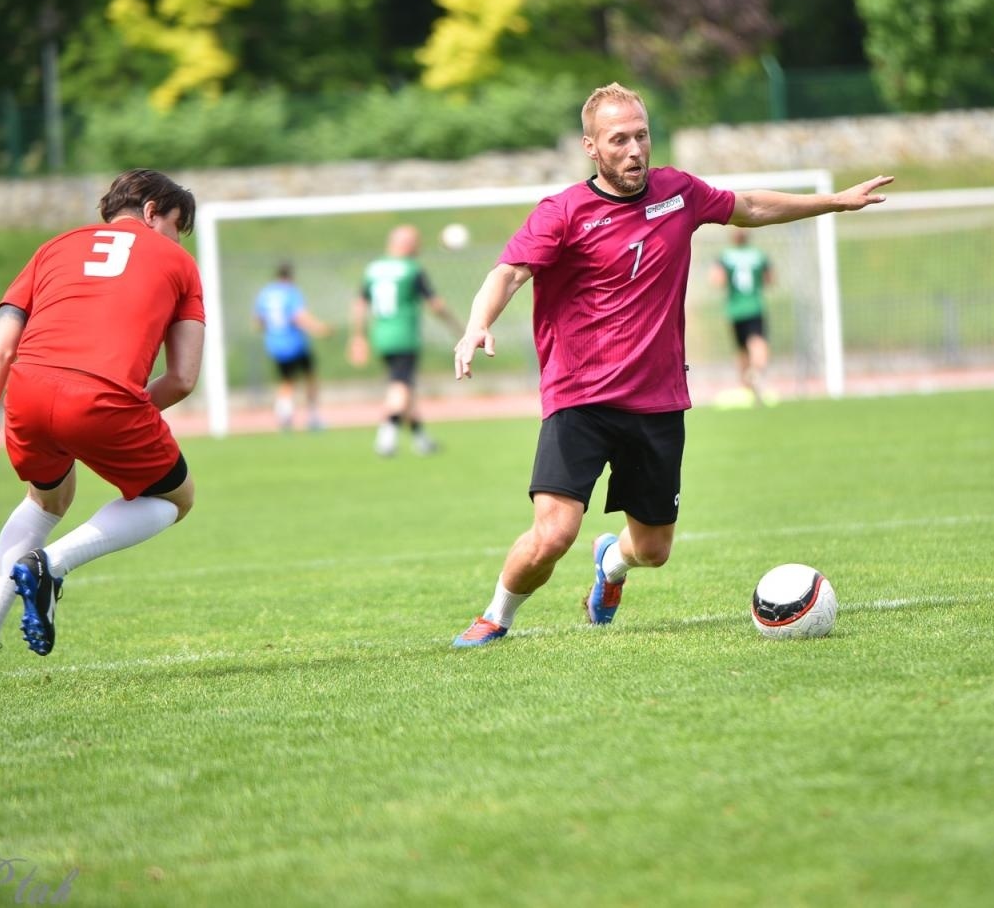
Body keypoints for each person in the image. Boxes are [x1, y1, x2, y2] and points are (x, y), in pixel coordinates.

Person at [450, 82, 894, 647]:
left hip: (658, 401)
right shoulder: (563, 213)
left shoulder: (677, 192)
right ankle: (496, 615)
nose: (635, 150)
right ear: (591, 147)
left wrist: (833, 201)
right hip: (579, 398)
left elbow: (748, 206)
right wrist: (477, 324)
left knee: (653, 551)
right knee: (554, 532)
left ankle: (611, 562)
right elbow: (509, 272)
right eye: (619, 140)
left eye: (641, 136)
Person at [0, 169, 204, 690]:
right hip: (106, 397)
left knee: (47, 498)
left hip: (29, 393)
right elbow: (183, 377)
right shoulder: (177, 262)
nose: (177, 240)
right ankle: (51, 565)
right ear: (152, 212)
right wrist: (114, 414)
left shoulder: (52, 249)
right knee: (177, 499)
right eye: (176, 225)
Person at [348, 224, 463, 457]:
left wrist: (358, 337)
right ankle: (386, 435)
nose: (419, 247)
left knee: (405, 386)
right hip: (404, 336)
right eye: (416, 242)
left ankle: (421, 440)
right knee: (400, 386)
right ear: (406, 244)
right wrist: (458, 327)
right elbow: (436, 305)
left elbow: (360, 303)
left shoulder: (374, 269)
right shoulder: (412, 270)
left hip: (381, 335)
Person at [254, 262, 331, 431]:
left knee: (286, 380)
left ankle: (284, 415)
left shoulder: (265, 293)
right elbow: (299, 316)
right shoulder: (291, 292)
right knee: (310, 377)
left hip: (275, 344)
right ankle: (313, 416)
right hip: (294, 343)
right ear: (291, 277)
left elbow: (259, 321)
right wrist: (319, 328)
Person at [709, 226, 777, 406]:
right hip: (754, 306)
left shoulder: (725, 256)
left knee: (741, 350)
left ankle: (746, 388)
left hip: (734, 309)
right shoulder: (759, 255)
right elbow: (770, 280)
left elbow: (717, 280)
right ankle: (755, 374)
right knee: (758, 343)